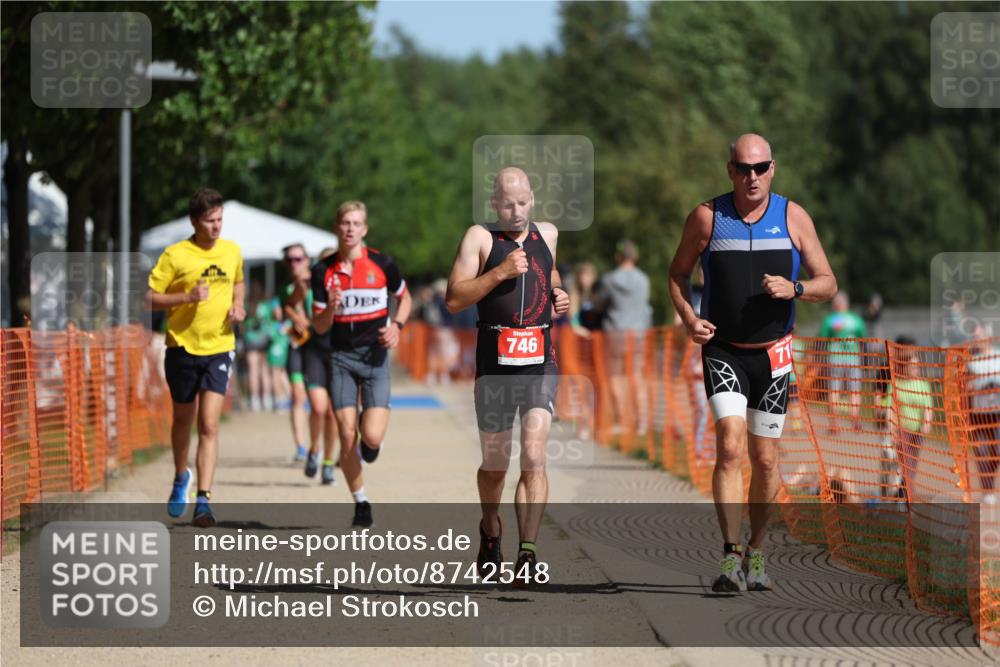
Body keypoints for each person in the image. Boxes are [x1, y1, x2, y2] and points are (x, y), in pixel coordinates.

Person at [667, 134, 837, 592]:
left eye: (760, 168)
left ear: (773, 168)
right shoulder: (707, 216)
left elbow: (828, 282)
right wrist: (689, 318)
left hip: (774, 356)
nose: (752, 177)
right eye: (743, 168)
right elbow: (678, 274)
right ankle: (728, 557)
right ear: (730, 171)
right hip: (723, 351)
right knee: (729, 447)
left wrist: (795, 288)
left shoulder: (792, 216)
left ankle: (756, 553)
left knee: (765, 459)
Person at [445, 166, 570, 587]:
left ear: (532, 199)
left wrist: (558, 291)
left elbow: (549, 271)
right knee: (495, 465)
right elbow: (453, 298)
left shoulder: (548, 234)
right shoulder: (479, 238)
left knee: (534, 455)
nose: (515, 211)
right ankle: (490, 527)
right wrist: (499, 273)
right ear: (494, 203)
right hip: (494, 360)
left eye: (522, 202)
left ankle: (529, 552)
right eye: (507, 203)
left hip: (540, 358)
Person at [146, 188, 245, 528]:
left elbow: (239, 282)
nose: (216, 227)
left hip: (219, 345)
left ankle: (204, 499)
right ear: (194, 221)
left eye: (219, 220)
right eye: (209, 221)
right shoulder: (175, 255)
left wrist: (238, 304)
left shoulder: (232, 251)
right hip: (182, 347)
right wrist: (185, 296)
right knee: (183, 421)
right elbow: (148, 297)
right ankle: (179, 476)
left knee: (209, 424)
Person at [311, 201, 412, 527]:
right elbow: (319, 326)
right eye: (345, 223)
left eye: (356, 223)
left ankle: (371, 445)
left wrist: (397, 326)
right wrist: (331, 307)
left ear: (364, 229)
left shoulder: (384, 264)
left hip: (375, 357)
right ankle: (361, 501)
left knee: (370, 436)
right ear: (337, 228)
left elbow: (404, 298)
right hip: (341, 358)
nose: (350, 228)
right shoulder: (322, 271)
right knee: (345, 434)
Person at [289, 246, 339, 482]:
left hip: (339, 352)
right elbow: (289, 303)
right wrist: (299, 319)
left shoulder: (347, 284)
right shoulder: (308, 284)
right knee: (318, 407)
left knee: (331, 413)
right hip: (314, 351)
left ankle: (328, 461)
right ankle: (313, 449)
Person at [594, 240, 652, 439]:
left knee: (615, 376)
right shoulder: (644, 279)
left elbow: (599, 304)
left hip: (615, 332)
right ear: (634, 256)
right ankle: (641, 422)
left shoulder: (610, 280)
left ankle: (620, 421)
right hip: (638, 333)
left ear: (618, 257)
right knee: (637, 376)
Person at [279, 244, 315, 463]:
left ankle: (319, 445)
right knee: (297, 396)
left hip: (319, 347)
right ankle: (301, 446)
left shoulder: (318, 281)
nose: (294, 264)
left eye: (298, 259)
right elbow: (283, 311)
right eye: (290, 260)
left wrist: (308, 322)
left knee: (321, 400)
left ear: (307, 259)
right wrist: (291, 319)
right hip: (296, 346)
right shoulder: (285, 288)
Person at [818, 292, 867, 432]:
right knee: (855, 390)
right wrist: (865, 359)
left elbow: (822, 340)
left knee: (834, 390)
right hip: (853, 358)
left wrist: (820, 360)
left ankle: (834, 423)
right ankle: (855, 420)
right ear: (847, 304)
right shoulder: (856, 319)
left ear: (835, 304)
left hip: (834, 358)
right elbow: (863, 339)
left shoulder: (830, 319)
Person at [964, 325, 1000, 497]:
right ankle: (987, 488)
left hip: (997, 412)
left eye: (978, 336)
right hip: (978, 413)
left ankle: (989, 481)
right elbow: (965, 385)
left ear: (987, 336)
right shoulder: (970, 361)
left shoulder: (998, 356)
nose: (976, 339)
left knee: (997, 450)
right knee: (981, 452)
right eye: (974, 336)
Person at [243, 280, 274, 412]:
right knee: (264, 372)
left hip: (250, 341)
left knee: (253, 372)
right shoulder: (266, 306)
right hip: (264, 341)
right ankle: (266, 400)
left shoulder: (248, 305)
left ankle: (254, 400)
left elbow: (242, 325)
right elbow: (271, 322)